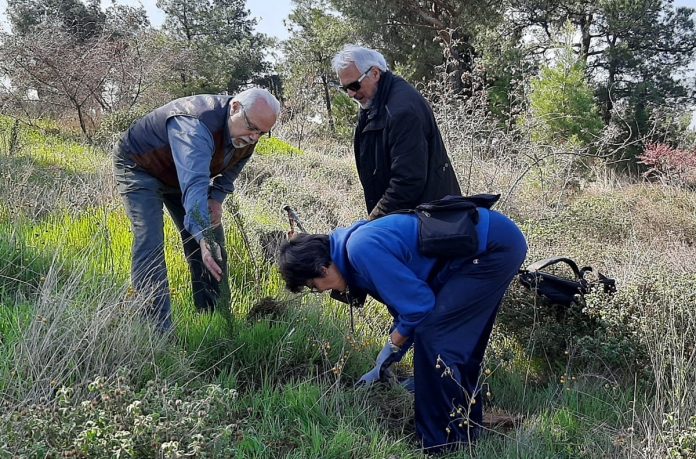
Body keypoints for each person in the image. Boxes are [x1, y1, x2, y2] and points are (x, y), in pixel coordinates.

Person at [277, 201, 527, 453]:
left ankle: (439, 445)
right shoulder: (354, 257)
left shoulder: (361, 250)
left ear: (322, 268)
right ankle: (464, 430)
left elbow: (420, 307)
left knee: (437, 340)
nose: (320, 291)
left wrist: (391, 345)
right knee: (455, 342)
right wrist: (390, 356)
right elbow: (407, 309)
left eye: (313, 285)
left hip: (491, 248)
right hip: (489, 246)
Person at [113, 89, 281, 331]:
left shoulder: (247, 132)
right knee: (150, 241)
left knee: (214, 246)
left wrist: (218, 197)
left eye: (261, 133)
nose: (254, 137)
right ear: (234, 108)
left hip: (183, 175)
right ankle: (157, 333)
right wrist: (202, 233)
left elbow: (235, 165)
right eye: (252, 128)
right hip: (141, 166)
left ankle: (217, 323)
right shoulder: (195, 125)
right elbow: (194, 185)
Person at [331, 45, 461, 220]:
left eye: (354, 85)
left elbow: (408, 182)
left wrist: (372, 223)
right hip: (411, 218)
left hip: (431, 223)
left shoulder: (402, 110)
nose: (350, 94)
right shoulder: (374, 101)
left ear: (375, 73)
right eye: (345, 88)